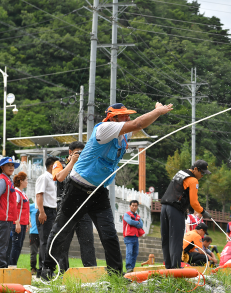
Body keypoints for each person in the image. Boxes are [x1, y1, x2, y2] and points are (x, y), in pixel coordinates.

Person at [42, 102, 172, 280]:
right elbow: (138, 123)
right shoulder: (105, 129)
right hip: (77, 188)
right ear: (114, 118)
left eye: (128, 115)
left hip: (98, 191)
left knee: (109, 234)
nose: (128, 118)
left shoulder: (124, 135)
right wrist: (158, 111)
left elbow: (140, 123)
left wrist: (157, 113)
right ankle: (47, 268)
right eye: (124, 115)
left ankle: (116, 275)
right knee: (61, 230)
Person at [52, 141, 97, 272]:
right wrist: (72, 163)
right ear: (70, 152)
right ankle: (62, 273)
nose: (80, 156)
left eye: (83, 153)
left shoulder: (86, 165)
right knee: (63, 243)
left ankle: (91, 272)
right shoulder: (59, 163)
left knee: (88, 241)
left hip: (84, 208)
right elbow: (59, 178)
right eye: (78, 153)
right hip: (65, 207)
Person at [161, 160, 211, 269]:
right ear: (195, 169)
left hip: (164, 207)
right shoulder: (193, 181)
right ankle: (175, 267)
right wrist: (203, 211)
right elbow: (194, 202)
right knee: (176, 239)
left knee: (166, 238)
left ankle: (168, 266)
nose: (202, 176)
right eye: (202, 173)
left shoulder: (180, 173)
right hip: (175, 209)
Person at [0, 157, 19, 268]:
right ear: (2, 167)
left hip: (7, 218)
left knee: (3, 244)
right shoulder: (2, 180)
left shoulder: (8, 180)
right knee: (1, 245)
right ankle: (0, 268)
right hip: (2, 218)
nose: (11, 167)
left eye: (12, 166)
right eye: (8, 165)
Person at [36, 156, 59, 278]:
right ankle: (42, 270)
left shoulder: (53, 179)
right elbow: (39, 195)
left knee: (51, 241)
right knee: (45, 241)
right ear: (52, 166)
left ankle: (47, 268)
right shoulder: (44, 177)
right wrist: (41, 212)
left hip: (52, 211)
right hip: (45, 211)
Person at [8, 172, 29, 267]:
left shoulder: (23, 193)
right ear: (21, 181)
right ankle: (11, 266)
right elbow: (14, 209)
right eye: (26, 180)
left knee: (19, 245)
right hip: (17, 224)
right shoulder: (16, 193)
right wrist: (17, 223)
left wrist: (28, 222)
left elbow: (25, 209)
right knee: (15, 245)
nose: (27, 182)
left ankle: (13, 265)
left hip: (23, 223)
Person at [123, 200, 145, 273]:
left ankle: (132, 268)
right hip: (128, 237)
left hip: (136, 237)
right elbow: (129, 221)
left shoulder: (138, 216)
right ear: (130, 206)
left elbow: (141, 225)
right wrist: (137, 222)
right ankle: (128, 268)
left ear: (137, 206)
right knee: (129, 252)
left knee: (135, 253)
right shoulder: (127, 214)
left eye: (136, 206)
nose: (134, 207)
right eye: (133, 205)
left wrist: (135, 223)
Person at [29, 202, 40, 275]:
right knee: (33, 252)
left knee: (44, 252)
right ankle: (33, 268)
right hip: (33, 232)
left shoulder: (47, 207)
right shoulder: (32, 206)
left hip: (44, 232)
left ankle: (42, 268)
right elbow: (22, 211)